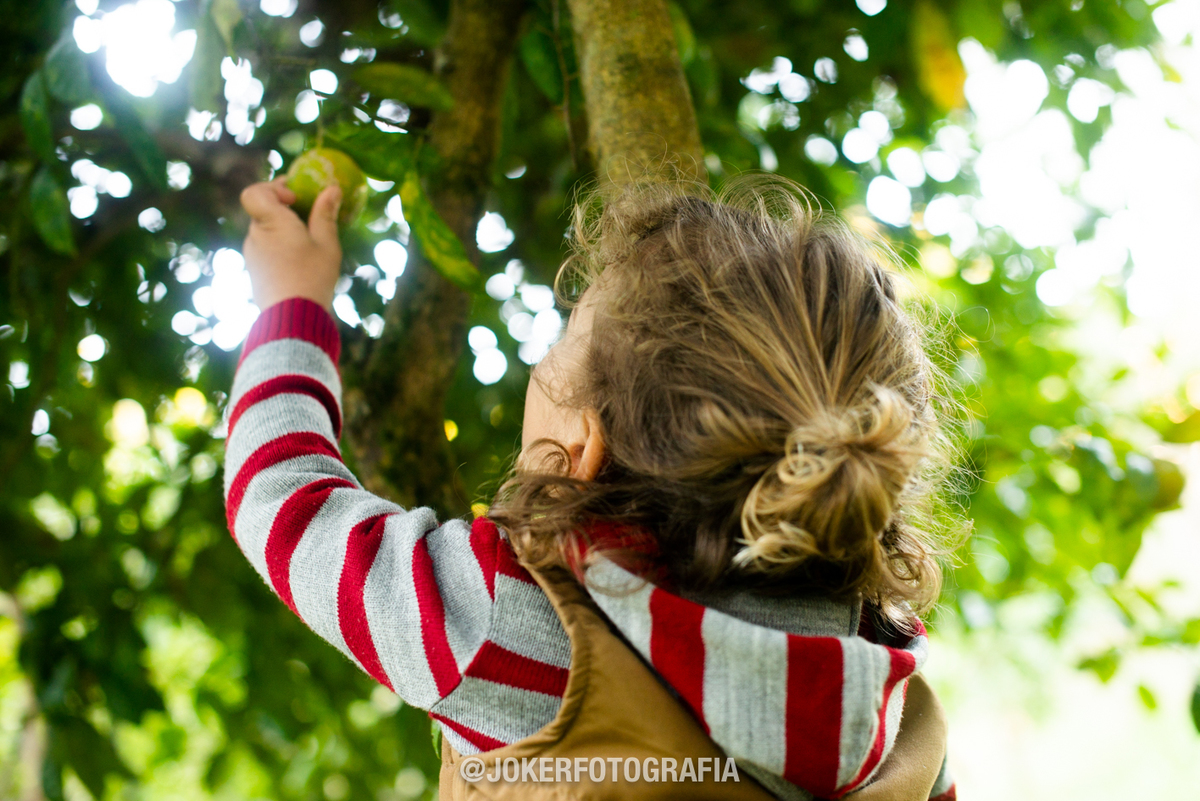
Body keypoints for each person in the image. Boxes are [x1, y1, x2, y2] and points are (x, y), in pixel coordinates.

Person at [229, 174, 959, 800]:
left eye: (561, 338)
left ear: (580, 443)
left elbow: (283, 497)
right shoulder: (888, 690)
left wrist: (291, 301)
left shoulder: (504, 618)